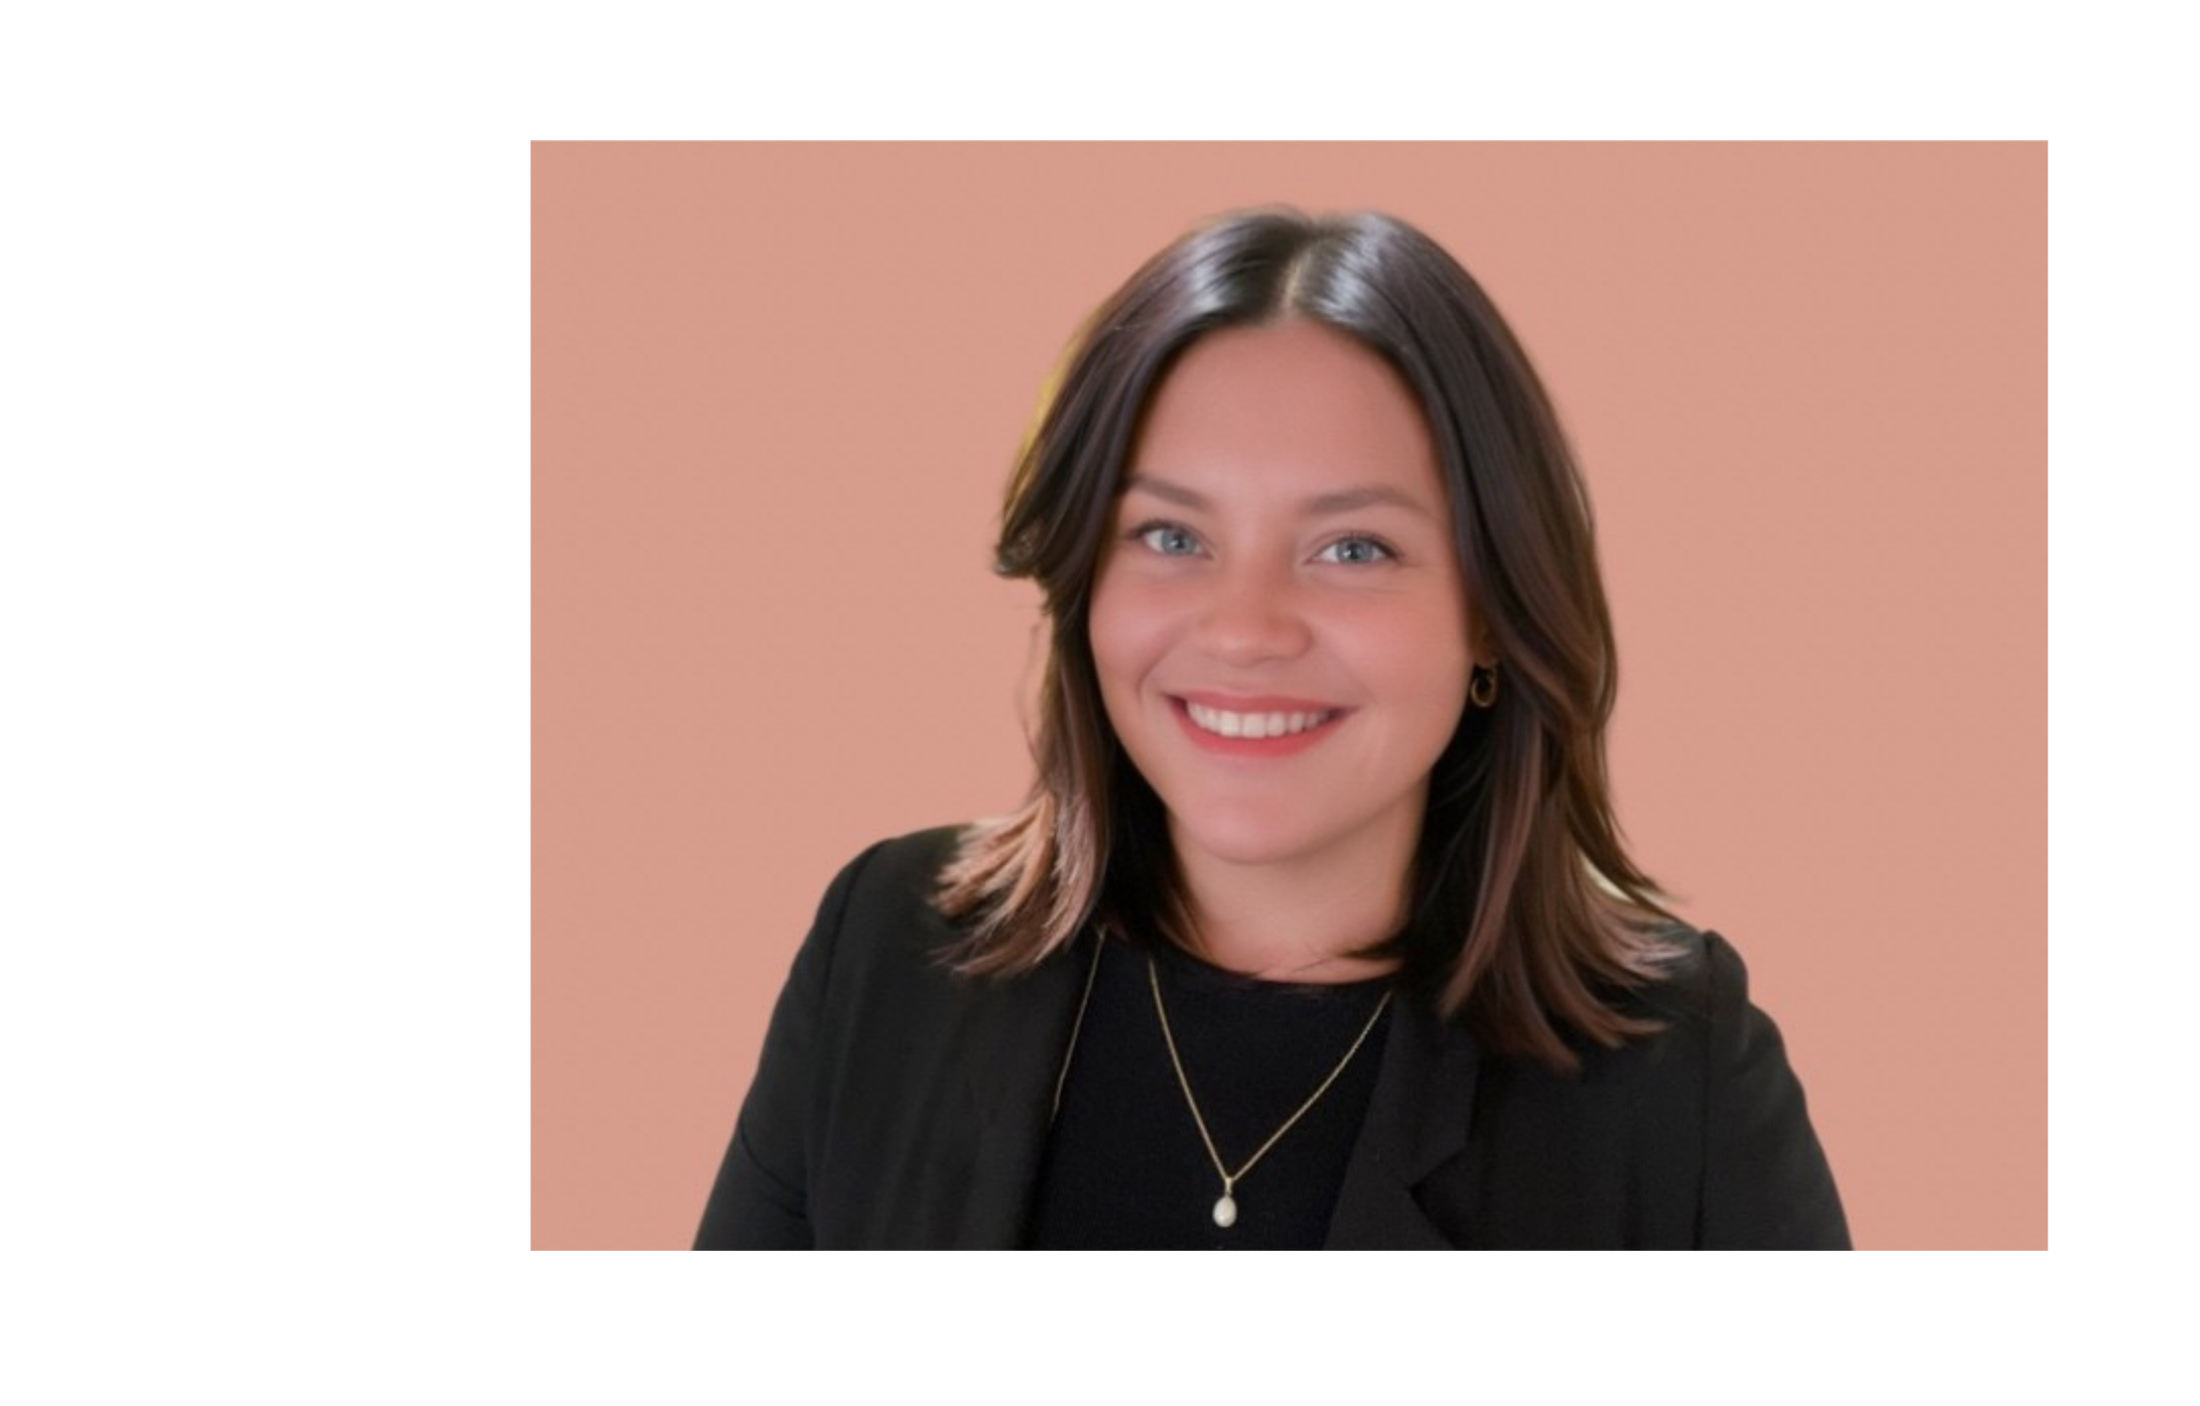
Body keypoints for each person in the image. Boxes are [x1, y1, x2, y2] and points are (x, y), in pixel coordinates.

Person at [694, 209, 1850, 1251]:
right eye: (1170, 534)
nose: (1244, 629)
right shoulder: (888, 950)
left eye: (1351, 548)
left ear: (1493, 612)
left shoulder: (1675, 1073)